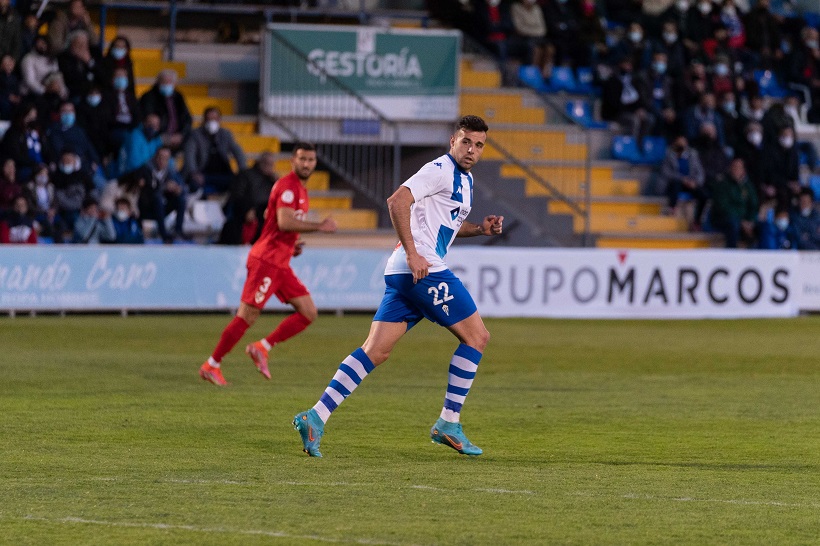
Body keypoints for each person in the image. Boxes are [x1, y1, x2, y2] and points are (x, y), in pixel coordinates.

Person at [292, 115, 504, 458]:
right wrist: (413, 253)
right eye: (466, 141)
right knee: (477, 337)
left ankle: (315, 416)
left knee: (375, 350)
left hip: (404, 272)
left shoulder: (465, 180)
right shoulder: (439, 169)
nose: (471, 149)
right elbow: (397, 201)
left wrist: (480, 228)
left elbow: (444, 225)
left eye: (478, 145)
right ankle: (448, 422)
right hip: (422, 268)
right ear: (453, 140)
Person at [199, 142, 338, 386]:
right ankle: (212, 364)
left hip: (280, 261)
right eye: (302, 159)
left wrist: (289, 245)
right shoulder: (288, 187)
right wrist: (319, 226)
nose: (306, 164)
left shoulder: (300, 191)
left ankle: (262, 347)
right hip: (267, 262)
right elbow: (284, 222)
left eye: (311, 160)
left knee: (308, 312)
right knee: (247, 316)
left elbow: (270, 219)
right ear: (293, 161)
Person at [182, 106, 246, 195]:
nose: (212, 122)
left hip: (222, 174)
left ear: (219, 120)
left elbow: (238, 152)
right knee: (194, 185)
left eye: (215, 119)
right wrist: (194, 173)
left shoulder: (225, 134)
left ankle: (227, 208)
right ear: (204, 120)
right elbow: (189, 155)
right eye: (209, 119)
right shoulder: (195, 135)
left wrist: (242, 171)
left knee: (240, 184)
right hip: (202, 173)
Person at [220, 150, 277, 245]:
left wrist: (276, 183)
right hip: (243, 212)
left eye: (271, 165)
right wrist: (248, 209)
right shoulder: (245, 175)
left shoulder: (272, 181)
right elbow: (237, 196)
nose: (269, 167)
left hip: (264, 212)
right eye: (266, 163)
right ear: (260, 163)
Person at [132, 146, 187, 243]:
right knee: (157, 198)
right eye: (160, 157)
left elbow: (182, 186)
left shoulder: (170, 171)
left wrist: (177, 189)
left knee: (180, 199)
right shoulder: (146, 169)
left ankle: (178, 231)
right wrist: (165, 187)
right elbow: (148, 189)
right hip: (147, 207)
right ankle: (164, 234)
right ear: (155, 157)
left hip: (162, 208)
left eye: (166, 159)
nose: (162, 161)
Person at [709, 157, 758, 248]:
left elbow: (753, 205)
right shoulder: (723, 184)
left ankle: (761, 256)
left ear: (743, 170)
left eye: (739, 168)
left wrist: (750, 220)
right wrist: (741, 221)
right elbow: (722, 207)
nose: (736, 170)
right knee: (733, 225)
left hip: (744, 220)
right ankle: (732, 254)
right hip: (724, 219)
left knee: (764, 227)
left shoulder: (747, 186)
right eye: (734, 167)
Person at [138, 69, 191, 149]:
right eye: (164, 82)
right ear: (158, 82)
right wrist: (166, 137)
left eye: (169, 82)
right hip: (159, 136)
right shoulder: (149, 97)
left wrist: (181, 134)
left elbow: (187, 118)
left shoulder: (178, 97)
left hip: (178, 136)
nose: (167, 85)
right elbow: (149, 118)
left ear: (174, 83)